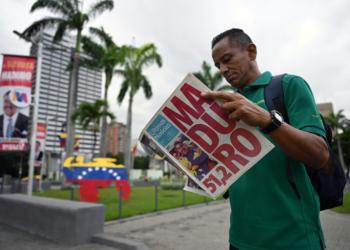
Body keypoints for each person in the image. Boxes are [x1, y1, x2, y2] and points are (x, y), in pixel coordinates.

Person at [201, 28, 331, 250]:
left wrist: (267, 120)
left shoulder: (288, 86)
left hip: (293, 240)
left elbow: (320, 155)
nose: (223, 70)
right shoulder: (224, 108)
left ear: (251, 52)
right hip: (239, 240)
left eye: (227, 59)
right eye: (218, 65)